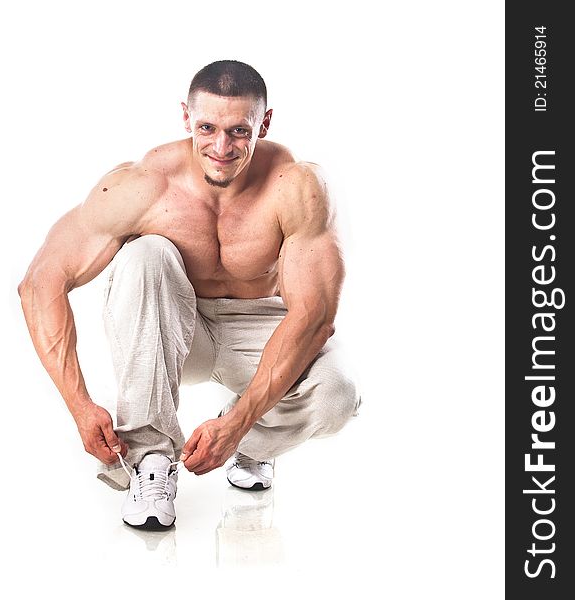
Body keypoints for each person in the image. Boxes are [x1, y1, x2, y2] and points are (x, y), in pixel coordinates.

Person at [18, 60, 360, 530]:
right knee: (147, 255)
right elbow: (41, 282)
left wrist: (239, 421)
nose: (222, 148)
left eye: (239, 131)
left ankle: (251, 442)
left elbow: (315, 316)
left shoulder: (297, 187)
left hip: (258, 328)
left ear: (264, 122)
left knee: (338, 395)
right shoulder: (143, 185)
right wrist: (80, 405)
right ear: (185, 118)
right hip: (174, 329)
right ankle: (152, 460)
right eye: (207, 128)